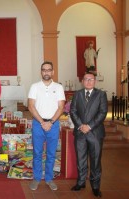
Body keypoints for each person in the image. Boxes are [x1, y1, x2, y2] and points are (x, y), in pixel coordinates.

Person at [28, 61, 65, 191]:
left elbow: (61, 107)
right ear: (41, 72)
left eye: (49, 70)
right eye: (44, 70)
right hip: (38, 124)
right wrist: (42, 122)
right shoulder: (34, 86)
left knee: (51, 153)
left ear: (53, 72)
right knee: (37, 153)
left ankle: (49, 179)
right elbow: (31, 106)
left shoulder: (58, 87)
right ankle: (37, 178)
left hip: (53, 124)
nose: (46, 72)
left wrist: (51, 122)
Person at [70, 72, 108, 198]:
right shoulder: (77, 94)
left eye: (91, 79)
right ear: (82, 81)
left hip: (95, 133)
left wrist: (89, 126)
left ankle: (96, 186)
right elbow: (73, 111)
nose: (88, 81)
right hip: (80, 133)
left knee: (95, 161)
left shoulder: (101, 94)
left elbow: (102, 113)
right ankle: (81, 182)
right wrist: (81, 125)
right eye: (86, 79)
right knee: (80, 159)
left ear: (95, 81)